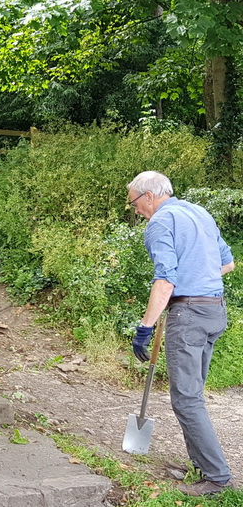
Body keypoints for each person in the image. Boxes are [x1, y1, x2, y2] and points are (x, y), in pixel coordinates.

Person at [127, 171, 238, 496]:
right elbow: (227, 263)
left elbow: (165, 280)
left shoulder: (160, 222)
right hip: (214, 311)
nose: (135, 210)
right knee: (193, 397)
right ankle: (203, 467)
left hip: (190, 317)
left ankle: (217, 478)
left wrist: (145, 328)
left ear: (149, 196)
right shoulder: (198, 212)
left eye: (134, 203)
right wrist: (193, 281)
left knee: (187, 400)